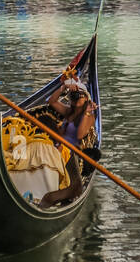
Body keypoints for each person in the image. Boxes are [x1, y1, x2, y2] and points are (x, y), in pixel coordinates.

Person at [35, 77, 97, 208]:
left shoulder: (89, 117)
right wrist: (64, 87)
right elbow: (52, 101)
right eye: (74, 96)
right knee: (44, 120)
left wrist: (86, 113)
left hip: (73, 151)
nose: (76, 98)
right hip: (58, 145)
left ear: (86, 98)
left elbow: (80, 134)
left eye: (79, 95)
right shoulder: (69, 111)